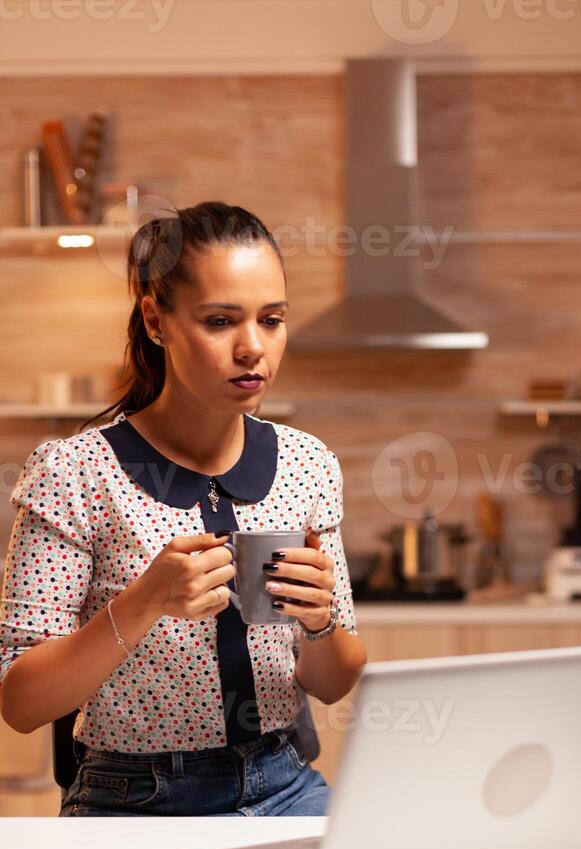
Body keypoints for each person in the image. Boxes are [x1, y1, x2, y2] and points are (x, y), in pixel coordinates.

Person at [0, 201, 367, 816]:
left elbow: (332, 683)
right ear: (155, 321)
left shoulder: (307, 465)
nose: (253, 348)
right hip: (133, 798)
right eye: (221, 321)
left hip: (285, 785)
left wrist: (320, 621)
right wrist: (144, 601)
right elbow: (21, 703)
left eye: (271, 320)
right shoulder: (74, 472)